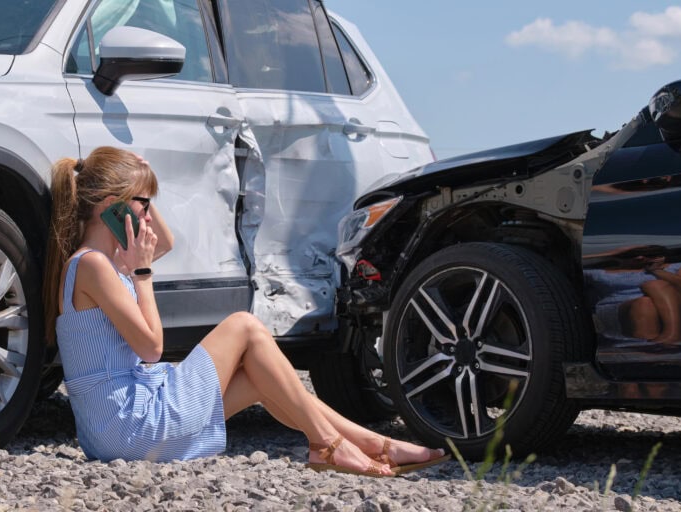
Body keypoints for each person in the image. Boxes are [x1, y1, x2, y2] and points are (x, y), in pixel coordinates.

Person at [42, 146, 449, 476]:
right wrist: (144, 275)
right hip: (130, 426)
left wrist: (143, 184)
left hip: (115, 428)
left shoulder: (104, 262)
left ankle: (374, 445)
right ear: (114, 207)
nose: (149, 215)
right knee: (245, 326)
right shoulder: (94, 265)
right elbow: (150, 349)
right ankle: (328, 446)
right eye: (144, 205)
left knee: (259, 377)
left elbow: (162, 242)